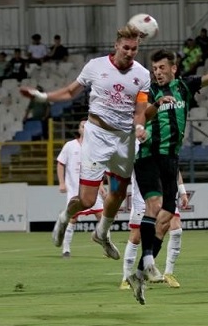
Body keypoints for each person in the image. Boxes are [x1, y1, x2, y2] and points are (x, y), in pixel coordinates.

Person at [18, 24, 150, 260]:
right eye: (126, 48)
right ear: (116, 45)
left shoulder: (142, 74)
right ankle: (65, 217)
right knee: (87, 200)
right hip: (97, 136)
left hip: (124, 139)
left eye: (134, 49)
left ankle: (101, 233)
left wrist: (140, 127)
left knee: (118, 193)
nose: (130, 52)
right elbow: (71, 92)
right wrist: (43, 97)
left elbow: (140, 110)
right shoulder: (95, 66)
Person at [126, 47, 208, 304]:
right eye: (154, 69)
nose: (158, 73)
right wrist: (154, 107)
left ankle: (138, 274)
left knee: (165, 220)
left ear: (173, 68)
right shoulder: (148, 91)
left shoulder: (184, 86)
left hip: (171, 159)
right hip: (148, 155)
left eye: (162, 68)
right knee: (154, 205)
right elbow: (140, 116)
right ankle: (148, 261)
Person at [121, 169, 189, 293]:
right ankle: (126, 278)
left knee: (176, 230)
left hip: (166, 195)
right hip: (143, 197)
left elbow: (175, 168)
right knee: (136, 237)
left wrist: (182, 191)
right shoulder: (138, 156)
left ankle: (168, 273)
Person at [56, 120, 107, 257]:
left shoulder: (95, 147)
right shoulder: (70, 146)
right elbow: (60, 164)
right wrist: (61, 182)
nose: (85, 128)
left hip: (92, 189)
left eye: (87, 126)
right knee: (72, 219)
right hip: (74, 190)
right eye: (82, 126)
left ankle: (106, 246)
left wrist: (101, 185)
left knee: (102, 217)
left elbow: (97, 168)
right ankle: (66, 249)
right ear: (79, 129)